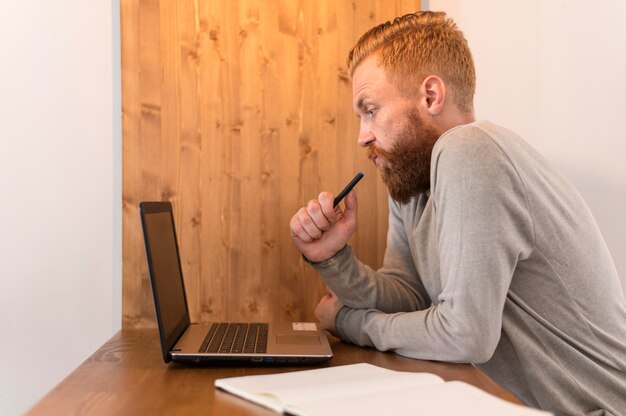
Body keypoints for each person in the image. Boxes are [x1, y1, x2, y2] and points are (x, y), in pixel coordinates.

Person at [289, 11, 626, 416]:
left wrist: (348, 322)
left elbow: (465, 335)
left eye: (371, 109)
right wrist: (331, 257)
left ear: (431, 96)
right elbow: (409, 300)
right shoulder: (414, 181)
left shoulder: (469, 149)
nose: (363, 135)